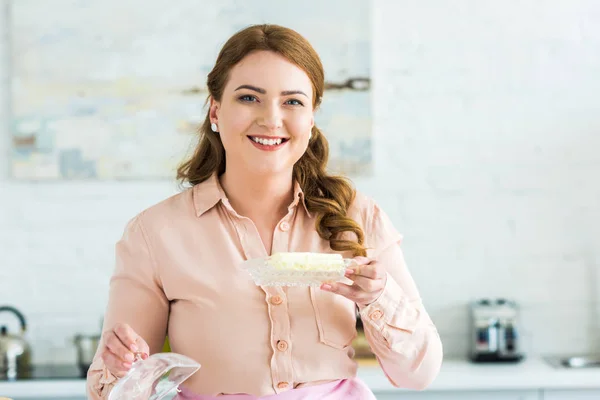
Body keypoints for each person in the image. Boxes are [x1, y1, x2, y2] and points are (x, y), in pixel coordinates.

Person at [86, 24, 443, 400]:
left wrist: (379, 297)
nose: (272, 119)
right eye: (249, 98)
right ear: (215, 110)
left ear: (311, 118)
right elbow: (109, 391)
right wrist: (121, 368)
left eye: (292, 101)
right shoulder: (154, 233)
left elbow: (419, 375)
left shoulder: (357, 216)